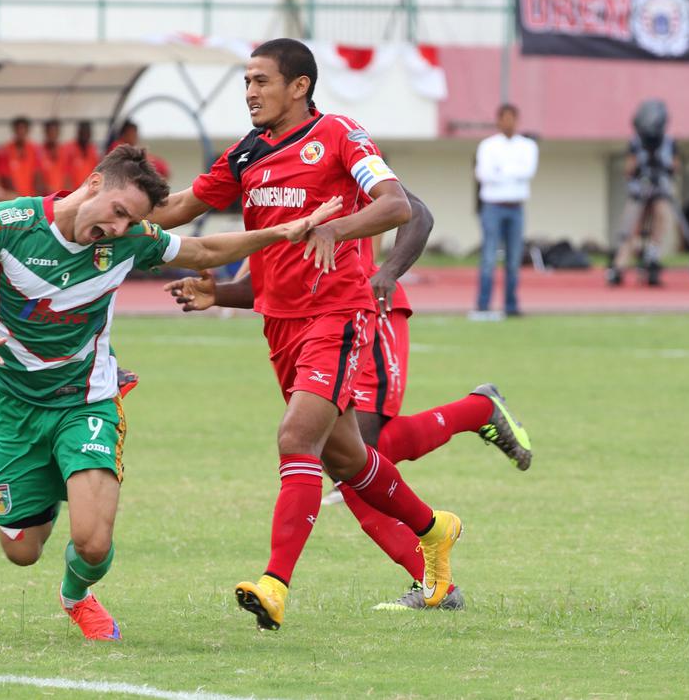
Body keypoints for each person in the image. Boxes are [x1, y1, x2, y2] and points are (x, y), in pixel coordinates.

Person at [0, 144, 338, 641]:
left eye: (129, 220)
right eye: (117, 212)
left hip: (87, 399)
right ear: (93, 183)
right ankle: (49, 483)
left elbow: (203, 252)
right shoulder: (4, 223)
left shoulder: (131, 239)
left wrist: (280, 233)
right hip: (17, 404)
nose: (117, 228)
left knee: (92, 544)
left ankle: (76, 596)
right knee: (22, 551)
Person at [146, 38, 470, 628]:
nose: (250, 92)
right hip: (281, 328)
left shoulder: (342, 134)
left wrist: (338, 229)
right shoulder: (245, 157)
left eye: (262, 81)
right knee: (347, 458)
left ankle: (275, 584)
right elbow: (179, 207)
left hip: (340, 317)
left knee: (298, 438)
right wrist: (94, 212)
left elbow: (397, 206)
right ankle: (433, 529)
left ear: (299, 86)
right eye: (246, 81)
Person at [163, 187, 532, 612]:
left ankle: (476, 415)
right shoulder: (270, 185)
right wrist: (218, 294)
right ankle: (435, 573)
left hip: (367, 314)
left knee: (353, 453)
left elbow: (419, 212)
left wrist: (387, 273)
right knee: (346, 458)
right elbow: (269, 283)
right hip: (318, 327)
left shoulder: (339, 157)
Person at [473, 104, 538, 317]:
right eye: (504, 118)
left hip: (516, 207)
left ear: (517, 120)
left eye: (512, 118)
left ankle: (511, 306)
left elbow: (527, 171)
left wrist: (501, 170)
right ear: (498, 121)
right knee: (489, 258)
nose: (508, 122)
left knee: (513, 260)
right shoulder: (488, 146)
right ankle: (483, 305)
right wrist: (511, 172)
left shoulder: (528, 146)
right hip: (493, 206)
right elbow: (484, 174)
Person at [607, 100, 680, 287]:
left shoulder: (669, 142)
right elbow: (628, 169)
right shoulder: (636, 143)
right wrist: (640, 165)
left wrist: (663, 165)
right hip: (639, 191)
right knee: (631, 226)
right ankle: (619, 266)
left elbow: (675, 166)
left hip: (660, 190)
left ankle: (652, 258)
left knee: (662, 216)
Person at [1, 116, 42, 197]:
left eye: (23, 128)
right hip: (13, 197)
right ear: (14, 130)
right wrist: (17, 197)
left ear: (27, 130)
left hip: (31, 196)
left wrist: (37, 196)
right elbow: (5, 177)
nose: (21, 131)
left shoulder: (34, 149)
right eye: (18, 129)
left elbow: (37, 174)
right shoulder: (6, 150)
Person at [61, 120, 101, 192]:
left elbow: (97, 172)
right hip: (73, 193)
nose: (85, 136)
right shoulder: (69, 148)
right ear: (78, 133)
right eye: (83, 133)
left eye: (87, 133)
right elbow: (65, 175)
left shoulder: (92, 150)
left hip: (88, 192)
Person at [40, 118, 66, 194]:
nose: (52, 134)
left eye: (54, 131)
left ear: (58, 132)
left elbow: (68, 176)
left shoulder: (64, 152)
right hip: (44, 198)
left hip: (62, 198)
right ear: (45, 132)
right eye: (50, 131)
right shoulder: (39, 152)